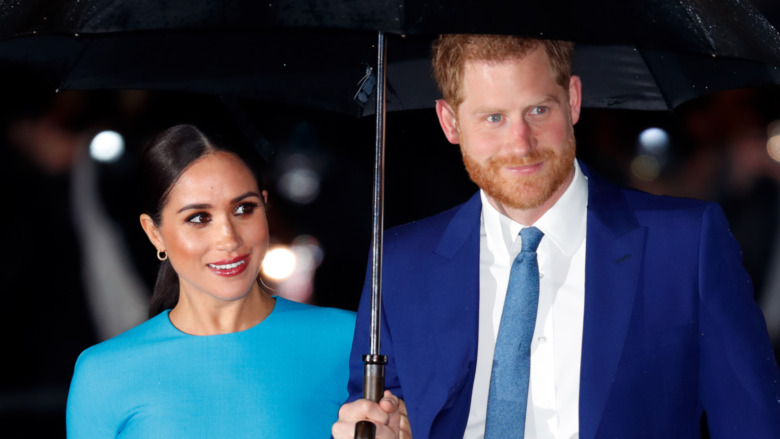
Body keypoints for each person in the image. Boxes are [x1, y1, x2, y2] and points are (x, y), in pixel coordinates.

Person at [333, 35, 780, 438]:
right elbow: (379, 410)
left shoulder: (685, 244)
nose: (521, 143)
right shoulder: (400, 262)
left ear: (573, 100)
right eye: (493, 117)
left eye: (538, 110)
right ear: (450, 122)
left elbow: (750, 422)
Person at [67, 124, 355, 438]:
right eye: (199, 218)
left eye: (244, 209)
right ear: (155, 233)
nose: (228, 239)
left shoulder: (352, 341)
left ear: (266, 205)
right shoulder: (103, 374)